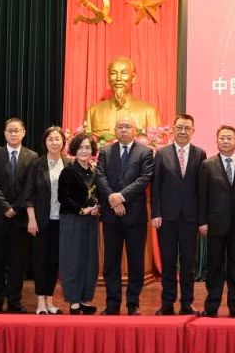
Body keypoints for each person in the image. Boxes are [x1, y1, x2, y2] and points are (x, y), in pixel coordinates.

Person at [96, 116, 154, 315]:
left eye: (127, 126)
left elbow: (144, 179)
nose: (123, 130)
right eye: (120, 126)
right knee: (111, 261)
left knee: (136, 261)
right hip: (111, 216)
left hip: (134, 215)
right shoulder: (105, 151)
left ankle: (132, 303)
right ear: (114, 129)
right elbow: (100, 177)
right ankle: (112, 304)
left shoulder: (145, 152)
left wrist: (121, 197)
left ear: (135, 129)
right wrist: (113, 200)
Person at [152, 114, 207, 316]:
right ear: (173, 130)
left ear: (193, 131)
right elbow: (155, 185)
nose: (183, 131)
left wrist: (202, 219)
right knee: (167, 261)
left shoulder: (200, 154)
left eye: (187, 128)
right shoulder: (162, 153)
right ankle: (167, 302)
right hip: (166, 217)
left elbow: (202, 190)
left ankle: (187, 302)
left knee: (188, 263)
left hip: (190, 218)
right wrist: (156, 213)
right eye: (179, 128)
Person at [0, 118, 38, 313]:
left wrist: (15, 207)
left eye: (17, 131)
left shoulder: (32, 156)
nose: (13, 134)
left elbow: (30, 187)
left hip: (20, 217)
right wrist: (5, 206)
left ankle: (15, 301)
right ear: (4, 133)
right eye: (10, 131)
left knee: (18, 263)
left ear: (23, 132)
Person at [198, 126, 235, 318]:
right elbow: (202, 196)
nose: (226, 141)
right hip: (215, 223)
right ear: (217, 141)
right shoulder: (207, 164)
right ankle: (212, 305)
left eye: (229, 138)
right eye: (222, 138)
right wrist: (202, 221)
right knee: (215, 265)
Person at [24, 127, 71, 315]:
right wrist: (31, 219)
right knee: (40, 261)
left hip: (62, 222)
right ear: (45, 142)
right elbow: (29, 194)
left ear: (63, 142)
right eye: (50, 139)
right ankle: (40, 303)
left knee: (54, 262)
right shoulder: (37, 164)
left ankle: (50, 302)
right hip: (41, 221)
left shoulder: (68, 164)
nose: (54, 142)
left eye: (57, 139)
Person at [58, 133, 100, 315]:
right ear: (75, 150)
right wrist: (83, 210)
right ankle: (74, 302)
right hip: (72, 221)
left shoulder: (94, 171)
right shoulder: (68, 171)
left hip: (91, 222)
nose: (84, 151)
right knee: (72, 260)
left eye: (88, 148)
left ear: (93, 151)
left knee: (89, 260)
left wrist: (98, 208)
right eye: (81, 147)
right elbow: (63, 198)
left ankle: (84, 299)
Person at [84, 56, 161, 136]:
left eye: (124, 73)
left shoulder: (149, 112)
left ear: (133, 78)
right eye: (113, 73)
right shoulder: (93, 112)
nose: (118, 78)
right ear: (108, 78)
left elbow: (155, 145)